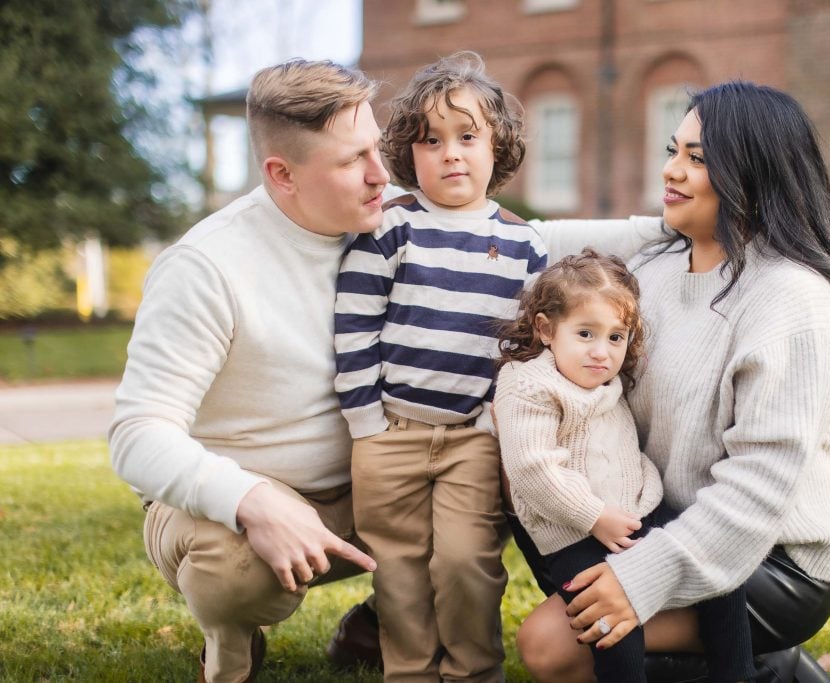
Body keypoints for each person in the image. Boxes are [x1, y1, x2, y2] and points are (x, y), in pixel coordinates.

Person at [511, 80, 830, 682]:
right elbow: (532, 241)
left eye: (697, 158)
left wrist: (639, 580)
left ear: (752, 174)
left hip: (770, 559)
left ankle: (769, 668)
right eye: (673, 150)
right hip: (661, 522)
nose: (672, 170)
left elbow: (757, 490)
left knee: (553, 648)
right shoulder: (651, 270)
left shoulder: (790, 298)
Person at [108, 59, 390, 683]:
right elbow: (136, 433)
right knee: (235, 575)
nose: (381, 175)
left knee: (503, 466)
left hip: (368, 493)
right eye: (352, 161)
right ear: (281, 174)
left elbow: (529, 239)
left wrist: (658, 224)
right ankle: (233, 650)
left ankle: (382, 622)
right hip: (234, 508)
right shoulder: (206, 267)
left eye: (378, 147)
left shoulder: (391, 227)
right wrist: (251, 498)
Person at [333, 51, 547, 682]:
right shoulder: (390, 229)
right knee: (397, 570)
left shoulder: (523, 243)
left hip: (471, 440)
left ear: (497, 147)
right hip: (389, 433)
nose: (450, 153)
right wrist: (366, 422)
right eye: (431, 141)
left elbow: (525, 348)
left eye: (468, 136)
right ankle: (410, 672)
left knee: (465, 563)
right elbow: (354, 328)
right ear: (409, 153)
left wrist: (490, 422)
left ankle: (474, 672)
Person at [494, 249, 756, 683]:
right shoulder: (528, 384)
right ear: (545, 329)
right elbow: (534, 468)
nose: (602, 352)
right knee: (610, 618)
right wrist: (594, 517)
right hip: (576, 531)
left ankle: (739, 674)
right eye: (585, 334)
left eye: (616, 337)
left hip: (639, 510)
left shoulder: (606, 380)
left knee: (715, 569)